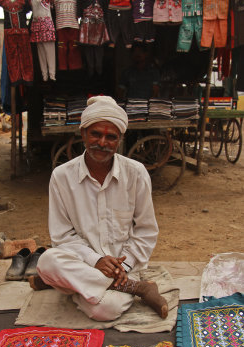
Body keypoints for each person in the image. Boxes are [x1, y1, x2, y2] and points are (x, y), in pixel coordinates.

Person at [29, 96, 168, 321]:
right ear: (83, 133)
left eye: (110, 137)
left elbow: (146, 231)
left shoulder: (136, 173)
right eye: (95, 134)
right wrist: (95, 261)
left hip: (123, 267)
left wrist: (124, 265)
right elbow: (62, 236)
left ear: (119, 140)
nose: (102, 142)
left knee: (104, 310)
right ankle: (140, 288)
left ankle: (66, 283)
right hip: (83, 262)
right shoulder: (62, 177)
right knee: (47, 260)